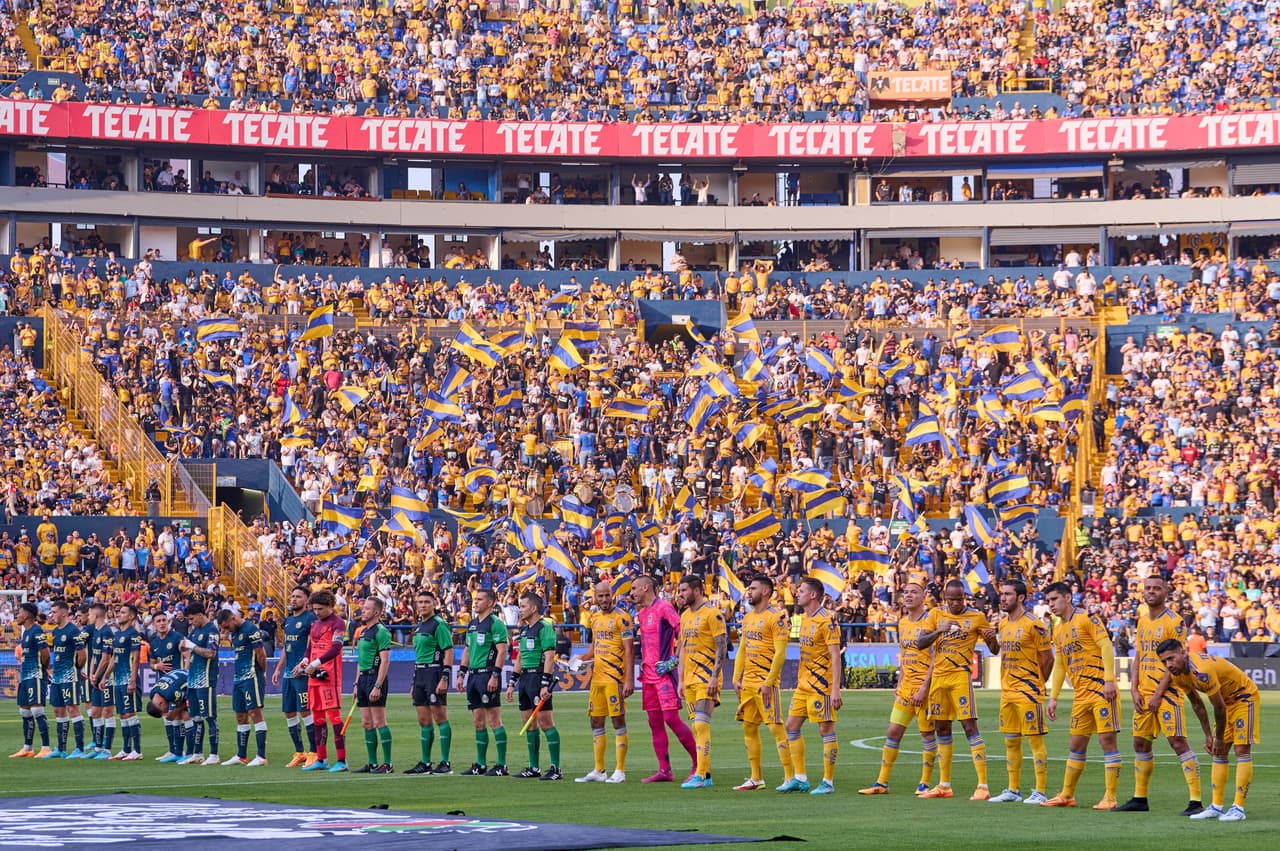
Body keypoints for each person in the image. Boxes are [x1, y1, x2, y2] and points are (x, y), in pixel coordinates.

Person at [1115, 576, 1202, 815]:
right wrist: (1134, 688)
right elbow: (1139, 656)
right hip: (1144, 693)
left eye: (1156, 588)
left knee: (1177, 742)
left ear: (1166, 592)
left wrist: (1158, 693)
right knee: (1140, 742)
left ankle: (1196, 802)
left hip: (1168, 693)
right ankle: (1139, 798)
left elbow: (1176, 661)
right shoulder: (1142, 620)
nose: (1151, 592)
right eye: (1148, 588)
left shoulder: (1175, 621)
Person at [1158, 638, 1260, 822]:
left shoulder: (1202, 671)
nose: (1168, 665)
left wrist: (1218, 738)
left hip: (1244, 697)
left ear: (1183, 652)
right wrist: (1208, 736)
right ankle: (1216, 806)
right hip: (1226, 702)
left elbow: (1218, 707)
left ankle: (1238, 808)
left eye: (1171, 658)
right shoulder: (1177, 675)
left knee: (1241, 750)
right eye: (1164, 661)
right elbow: (1197, 704)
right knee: (1218, 753)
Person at [1041, 581, 1122, 809]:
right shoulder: (1058, 629)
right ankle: (1067, 794)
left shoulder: (1088, 618)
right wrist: (1054, 697)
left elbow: (1105, 646)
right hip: (1081, 695)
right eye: (1048, 601)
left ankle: (1110, 797)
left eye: (1054, 599)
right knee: (1076, 744)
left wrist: (1109, 679)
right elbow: (1060, 664)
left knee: (1107, 741)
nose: (1051, 605)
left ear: (1067, 597)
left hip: (1101, 691)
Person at [914, 579, 998, 800]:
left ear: (964, 597)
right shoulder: (935, 615)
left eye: (959, 599)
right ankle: (944, 785)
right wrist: (938, 632)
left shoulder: (977, 617)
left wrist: (992, 640)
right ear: (945, 598)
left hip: (960, 677)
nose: (956, 603)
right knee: (942, 728)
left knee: (969, 726)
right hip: (938, 679)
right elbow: (920, 643)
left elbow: (995, 649)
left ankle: (983, 786)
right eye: (951, 599)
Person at [859, 576, 937, 796]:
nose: (909, 595)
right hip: (906, 687)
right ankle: (881, 783)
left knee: (927, 735)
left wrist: (924, 688)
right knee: (893, 731)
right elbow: (904, 654)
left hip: (925, 689)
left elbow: (935, 659)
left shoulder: (930, 621)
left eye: (914, 592)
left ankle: (925, 783)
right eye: (906, 592)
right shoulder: (902, 622)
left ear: (924, 597)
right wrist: (900, 680)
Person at [988, 578, 1053, 804]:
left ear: (1021, 597)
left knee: (1034, 741)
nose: (1003, 598)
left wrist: (1037, 683)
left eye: (1008, 594)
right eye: (1002, 594)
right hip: (1007, 691)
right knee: (1011, 741)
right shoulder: (1003, 624)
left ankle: (1040, 791)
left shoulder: (1035, 625)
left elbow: (1048, 658)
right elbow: (998, 651)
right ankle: (1013, 790)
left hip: (1028, 692)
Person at [776, 577, 841, 795]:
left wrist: (835, 689)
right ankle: (800, 778)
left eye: (801, 590)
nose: (797, 593)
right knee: (791, 726)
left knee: (826, 729)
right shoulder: (803, 619)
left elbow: (835, 656)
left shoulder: (827, 620)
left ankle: (828, 782)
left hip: (821, 686)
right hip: (803, 684)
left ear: (813, 595)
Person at [631, 574, 698, 782]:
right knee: (654, 722)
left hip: (664, 675)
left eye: (634, 588)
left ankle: (699, 764)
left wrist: (674, 660)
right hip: (648, 676)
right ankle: (664, 770)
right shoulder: (642, 613)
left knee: (671, 719)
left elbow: (684, 632)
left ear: (645, 588)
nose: (632, 593)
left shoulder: (664, 608)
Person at [731, 575, 792, 791]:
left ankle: (790, 777)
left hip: (765, 684)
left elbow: (780, 653)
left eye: (753, 588)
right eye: (749, 588)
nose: (748, 592)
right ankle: (756, 778)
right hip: (747, 683)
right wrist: (736, 677)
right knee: (749, 728)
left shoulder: (777, 617)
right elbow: (742, 649)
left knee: (775, 728)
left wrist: (769, 681)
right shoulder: (747, 618)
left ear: (765, 592)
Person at [574, 579, 634, 784]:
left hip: (614, 678)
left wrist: (629, 680)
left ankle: (620, 770)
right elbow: (594, 647)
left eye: (607, 595)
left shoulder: (623, 618)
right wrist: (580, 659)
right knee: (596, 721)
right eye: (600, 596)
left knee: (618, 721)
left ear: (612, 595)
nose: (605, 599)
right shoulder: (594, 617)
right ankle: (599, 770)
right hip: (597, 678)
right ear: (595, 597)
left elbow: (629, 650)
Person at [675, 575, 727, 789]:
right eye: (679, 590)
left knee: (700, 724)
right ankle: (706, 774)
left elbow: (722, 646)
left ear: (696, 591)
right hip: (689, 680)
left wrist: (715, 676)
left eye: (684, 590)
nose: (680, 594)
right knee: (696, 728)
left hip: (707, 678)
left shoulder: (713, 614)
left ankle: (701, 775)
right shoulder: (685, 616)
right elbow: (682, 650)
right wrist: (680, 680)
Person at [507, 591, 562, 780]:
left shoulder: (544, 627)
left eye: (523, 606)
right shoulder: (524, 630)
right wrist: (512, 682)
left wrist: (545, 684)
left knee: (546, 723)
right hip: (525, 679)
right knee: (528, 723)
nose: (520, 610)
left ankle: (555, 769)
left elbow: (549, 657)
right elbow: (520, 658)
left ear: (534, 608)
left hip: (538, 677)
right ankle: (533, 767)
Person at [458, 587, 509, 776]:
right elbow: (467, 650)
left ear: (490, 603)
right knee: (478, 722)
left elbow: (502, 651)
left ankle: (502, 765)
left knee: (494, 720)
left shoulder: (496, 624)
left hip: (488, 675)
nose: (475, 602)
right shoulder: (472, 624)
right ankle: (480, 764)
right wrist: (461, 673)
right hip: (473, 676)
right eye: (475, 599)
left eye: (479, 599)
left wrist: (495, 675)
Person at [405, 589, 454, 775]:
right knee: (423, 720)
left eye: (427, 602)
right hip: (420, 674)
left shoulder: (439, 625)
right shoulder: (419, 627)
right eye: (420, 602)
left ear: (434, 604)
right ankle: (425, 763)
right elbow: (419, 656)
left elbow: (448, 651)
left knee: (440, 717)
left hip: (434, 672)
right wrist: (413, 682)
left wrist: (445, 677)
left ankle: (445, 763)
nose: (423, 605)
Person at [302, 589, 347, 771]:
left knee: (334, 718)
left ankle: (342, 761)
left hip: (329, 677)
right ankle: (321, 759)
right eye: (314, 609)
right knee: (318, 718)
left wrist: (315, 663)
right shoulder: (315, 624)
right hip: (314, 676)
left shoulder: (338, 623)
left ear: (330, 606)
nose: (317, 612)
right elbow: (310, 647)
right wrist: (305, 661)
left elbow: (336, 648)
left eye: (320, 609)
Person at [216, 608, 268, 766]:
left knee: (255, 712)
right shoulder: (234, 633)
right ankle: (241, 756)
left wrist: (262, 674)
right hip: (238, 678)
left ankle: (261, 756)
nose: (226, 630)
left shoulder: (250, 629)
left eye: (226, 626)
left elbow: (261, 654)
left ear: (233, 618)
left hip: (251, 676)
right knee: (240, 715)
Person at [272, 586, 317, 767]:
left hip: (303, 673)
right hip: (289, 674)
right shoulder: (289, 621)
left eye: (298, 596)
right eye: (292, 596)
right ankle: (300, 752)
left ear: (306, 600)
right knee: (289, 711)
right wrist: (278, 668)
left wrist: (306, 665)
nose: (293, 599)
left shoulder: (310, 619)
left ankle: (314, 752)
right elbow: (286, 647)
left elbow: (313, 645)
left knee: (305, 710)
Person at [352, 597, 393, 774]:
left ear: (376, 612)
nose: (363, 610)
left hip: (375, 677)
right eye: (364, 608)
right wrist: (356, 683)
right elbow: (360, 661)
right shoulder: (363, 632)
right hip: (363, 680)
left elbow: (385, 661)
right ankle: (372, 763)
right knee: (366, 722)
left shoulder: (381, 632)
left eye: (367, 609)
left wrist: (378, 685)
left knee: (379, 721)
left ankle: (388, 764)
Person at [100, 604, 144, 760]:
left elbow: (136, 659)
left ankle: (137, 750)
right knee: (122, 714)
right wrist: (105, 676)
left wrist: (132, 680)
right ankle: (126, 749)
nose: (119, 614)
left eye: (123, 612)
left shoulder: (134, 634)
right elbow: (114, 658)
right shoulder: (117, 634)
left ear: (131, 616)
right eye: (119, 612)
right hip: (117, 680)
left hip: (127, 679)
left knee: (130, 712)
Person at [180, 601, 220, 764]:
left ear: (199, 615)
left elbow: (211, 653)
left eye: (192, 619)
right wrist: (183, 647)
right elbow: (188, 649)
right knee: (195, 717)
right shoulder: (195, 630)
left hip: (205, 680)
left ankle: (214, 754)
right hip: (193, 680)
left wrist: (192, 646)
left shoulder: (212, 630)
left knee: (209, 717)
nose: (190, 622)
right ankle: (197, 753)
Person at [46, 600, 87, 758]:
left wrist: (76, 670)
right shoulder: (56, 632)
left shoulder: (73, 631)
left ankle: (80, 749)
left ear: (64, 613)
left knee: (72, 708)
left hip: (69, 676)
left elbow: (82, 655)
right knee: (58, 710)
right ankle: (61, 749)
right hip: (57, 676)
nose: (52, 615)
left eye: (54, 612)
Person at [11, 602, 52, 759]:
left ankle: (46, 747)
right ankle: (27, 748)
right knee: (24, 711)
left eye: (19, 612)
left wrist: (42, 670)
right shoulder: (26, 633)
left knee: (37, 710)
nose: (17, 616)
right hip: (25, 676)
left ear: (27, 615)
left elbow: (45, 653)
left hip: (35, 675)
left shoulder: (37, 630)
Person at [148, 611, 186, 763]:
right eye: (158, 621)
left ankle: (180, 751)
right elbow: (151, 664)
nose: (162, 623)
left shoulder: (176, 637)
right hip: (163, 686)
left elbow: (188, 656)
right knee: (166, 717)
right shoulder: (154, 642)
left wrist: (185, 673)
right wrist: (157, 666)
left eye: (164, 620)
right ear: (153, 624)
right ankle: (172, 750)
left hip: (178, 686)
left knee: (178, 715)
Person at [85, 602, 116, 758]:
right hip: (96, 677)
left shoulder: (107, 632)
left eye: (90, 614)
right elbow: (94, 656)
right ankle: (97, 748)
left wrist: (97, 675)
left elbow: (106, 658)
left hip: (106, 679)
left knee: (107, 712)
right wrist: (91, 673)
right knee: (95, 712)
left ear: (96, 615)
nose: (88, 617)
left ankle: (107, 749)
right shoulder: (96, 632)